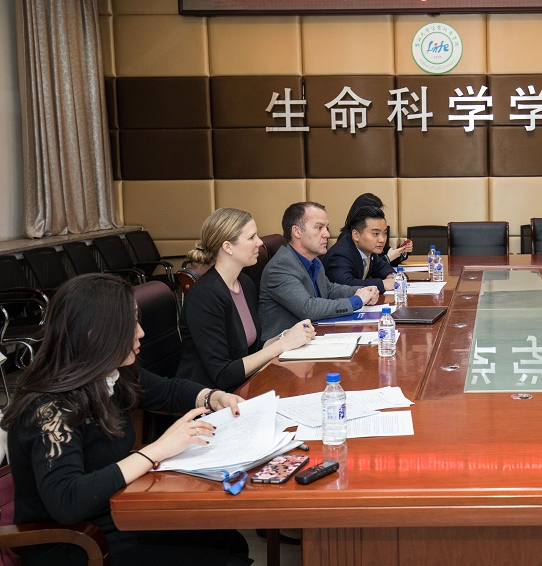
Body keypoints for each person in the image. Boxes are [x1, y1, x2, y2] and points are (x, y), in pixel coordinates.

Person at [0, 273, 250, 566]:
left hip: (117, 512)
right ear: (94, 333)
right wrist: (157, 450)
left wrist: (212, 397)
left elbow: (168, 391)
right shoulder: (48, 409)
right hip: (77, 542)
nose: (141, 332)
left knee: (228, 539)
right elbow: (67, 501)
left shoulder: (108, 374)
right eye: (130, 322)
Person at [177, 208, 315, 392]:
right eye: (251, 237)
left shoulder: (244, 283)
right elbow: (223, 374)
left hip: (243, 386)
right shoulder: (205, 296)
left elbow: (253, 350)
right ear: (228, 247)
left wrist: (286, 336)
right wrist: (283, 345)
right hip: (209, 396)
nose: (260, 242)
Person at [259, 201, 380, 340]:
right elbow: (308, 308)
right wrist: (356, 300)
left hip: (311, 335)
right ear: (297, 231)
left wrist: (362, 291)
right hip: (283, 346)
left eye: (326, 227)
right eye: (319, 227)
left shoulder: (313, 260)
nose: (327, 234)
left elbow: (328, 289)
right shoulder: (280, 267)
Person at [323, 205, 395, 293]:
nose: (382, 239)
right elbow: (346, 284)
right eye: (376, 234)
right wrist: (382, 284)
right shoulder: (339, 255)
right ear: (356, 235)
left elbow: (382, 267)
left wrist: (390, 275)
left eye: (385, 233)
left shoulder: (368, 250)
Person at [339, 193, 413, 266]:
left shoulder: (380, 236)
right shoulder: (346, 239)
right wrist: (388, 258)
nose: (381, 239)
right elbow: (364, 267)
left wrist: (401, 251)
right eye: (375, 233)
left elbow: (390, 260)